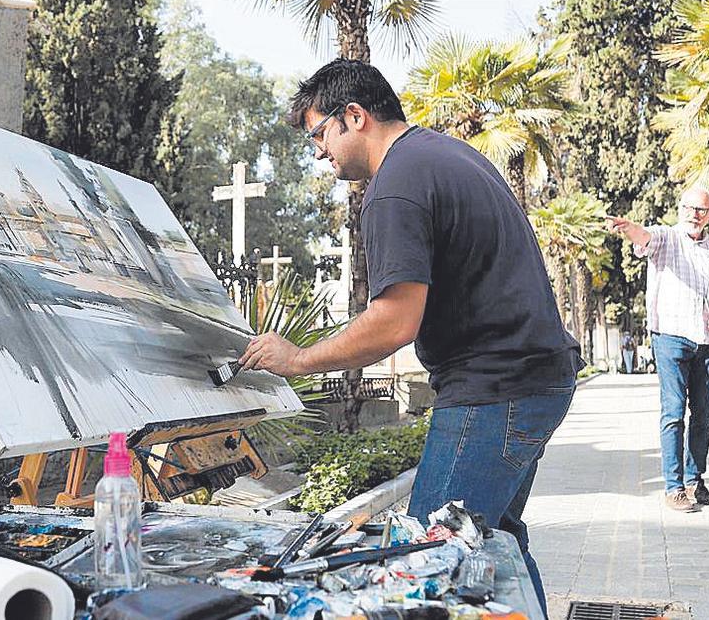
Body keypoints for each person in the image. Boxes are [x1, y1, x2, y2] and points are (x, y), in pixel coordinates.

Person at [239, 59, 582, 610]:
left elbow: (395, 322)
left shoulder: (395, 186)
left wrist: (298, 359)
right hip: (533, 378)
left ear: (354, 116)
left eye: (318, 135)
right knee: (494, 547)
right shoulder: (442, 153)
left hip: (494, 389)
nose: (319, 152)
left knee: (426, 558)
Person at [606, 187, 709, 512]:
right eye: (690, 208)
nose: (695, 214)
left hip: (708, 340)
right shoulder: (667, 237)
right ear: (680, 208)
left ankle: (695, 481)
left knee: (704, 415)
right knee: (674, 412)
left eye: (702, 210)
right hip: (671, 337)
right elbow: (645, 236)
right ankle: (674, 486)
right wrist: (628, 227)